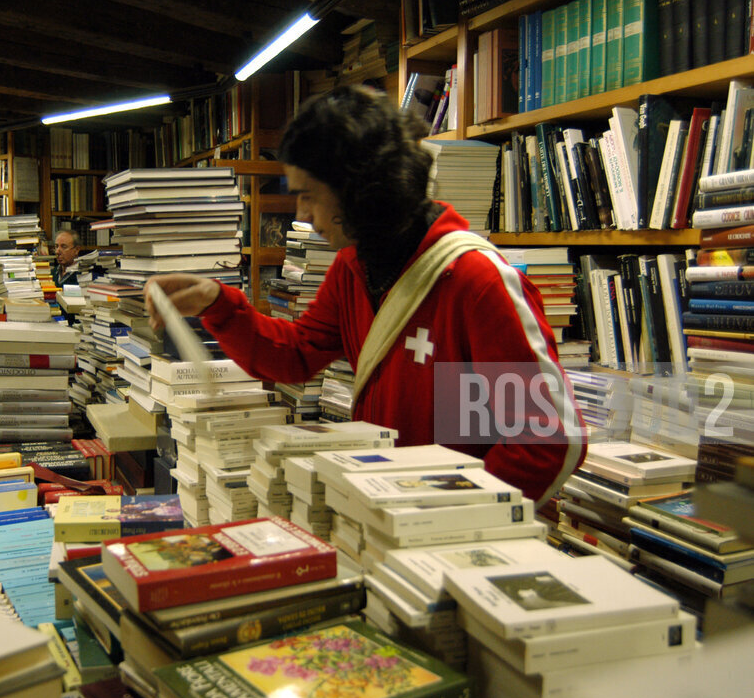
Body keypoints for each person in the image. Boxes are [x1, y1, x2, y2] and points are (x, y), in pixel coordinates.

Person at [145, 85, 585, 506]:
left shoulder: (476, 281)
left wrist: (452, 517)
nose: (300, 214)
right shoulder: (353, 268)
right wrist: (218, 303)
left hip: (445, 538)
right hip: (387, 516)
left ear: (360, 190)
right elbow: (296, 355)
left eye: (308, 195)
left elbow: (545, 440)